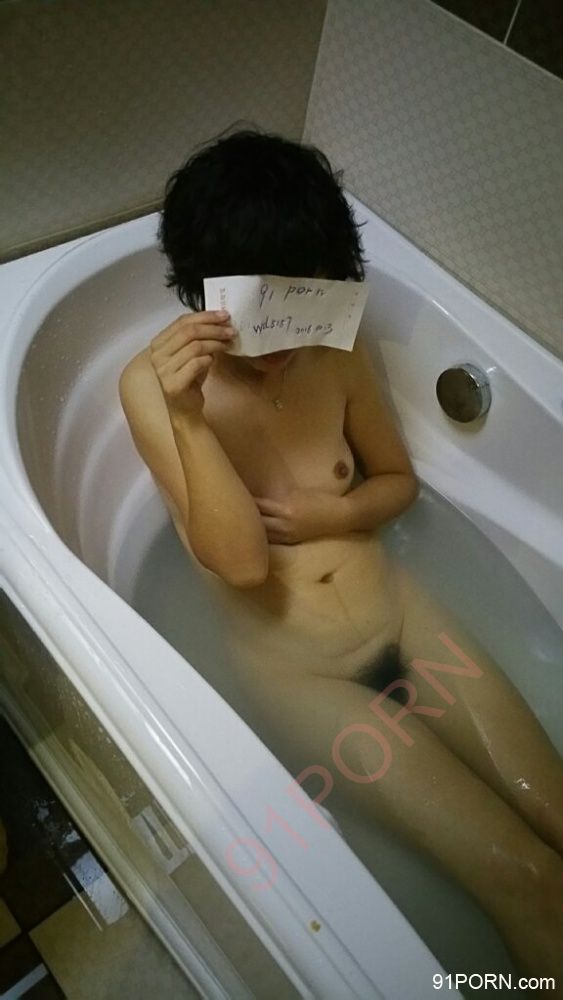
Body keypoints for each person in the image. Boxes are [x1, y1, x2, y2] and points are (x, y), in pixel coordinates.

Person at [119, 127, 563, 983]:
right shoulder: (154, 387)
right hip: (303, 673)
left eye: (308, 296)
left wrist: (337, 509)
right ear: (207, 295)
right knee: (528, 880)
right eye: (264, 310)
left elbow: (398, 483)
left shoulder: (335, 345)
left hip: (404, 615)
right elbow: (240, 565)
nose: (286, 336)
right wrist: (187, 418)